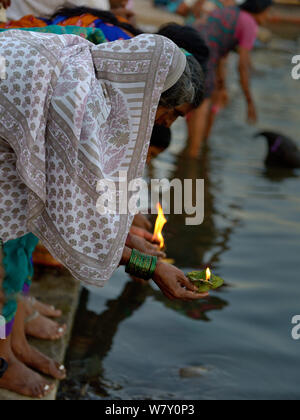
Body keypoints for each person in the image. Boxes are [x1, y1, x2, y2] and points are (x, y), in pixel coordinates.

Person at [0, 31, 207, 398]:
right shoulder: (77, 103)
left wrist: (126, 233)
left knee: (8, 262)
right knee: (3, 272)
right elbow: (74, 224)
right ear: (148, 95)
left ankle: (9, 348)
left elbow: (83, 202)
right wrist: (150, 266)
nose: (163, 125)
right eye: (168, 114)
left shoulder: (85, 64)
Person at [187, 0, 273, 158]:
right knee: (203, 102)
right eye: (267, 12)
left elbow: (221, 53)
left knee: (198, 98)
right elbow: (242, 66)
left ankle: (194, 149)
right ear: (259, 9)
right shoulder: (249, 23)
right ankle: (193, 155)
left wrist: (221, 84)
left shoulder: (230, 12)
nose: (268, 17)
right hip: (204, 52)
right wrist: (249, 101)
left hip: (190, 43)